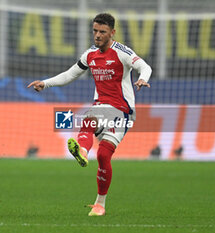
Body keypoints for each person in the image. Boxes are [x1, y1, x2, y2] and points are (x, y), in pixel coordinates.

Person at [28, 13, 152, 216]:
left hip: (123, 110)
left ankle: (97, 197)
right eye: (95, 31)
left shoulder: (122, 52)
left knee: (100, 145)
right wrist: (45, 83)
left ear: (112, 33)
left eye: (102, 32)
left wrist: (142, 78)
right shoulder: (90, 55)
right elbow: (70, 74)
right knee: (96, 135)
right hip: (102, 105)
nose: (97, 35)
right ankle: (86, 164)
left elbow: (144, 66)